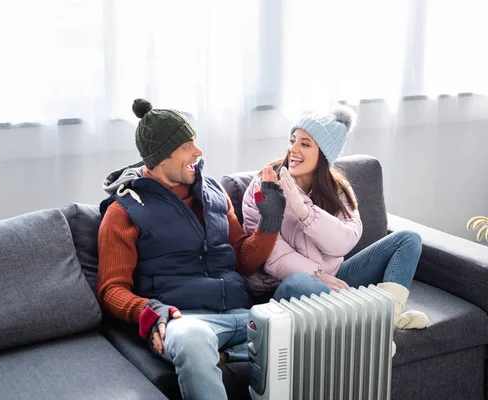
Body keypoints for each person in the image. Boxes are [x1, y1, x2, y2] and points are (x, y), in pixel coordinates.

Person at [97, 99, 286, 399]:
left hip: (244, 312)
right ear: (162, 156)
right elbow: (111, 289)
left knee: (304, 292)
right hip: (187, 321)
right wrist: (150, 310)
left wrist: (271, 221)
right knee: (192, 338)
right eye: (187, 145)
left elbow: (244, 260)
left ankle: (234, 352)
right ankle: (234, 352)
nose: (198, 152)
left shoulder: (214, 192)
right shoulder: (123, 212)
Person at [241, 106, 429, 339]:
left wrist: (304, 211)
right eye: (293, 140)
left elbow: (343, 243)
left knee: (408, 239)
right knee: (299, 281)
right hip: (279, 288)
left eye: (305, 144)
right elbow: (272, 256)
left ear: (325, 153)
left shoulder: (339, 189)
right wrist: (316, 276)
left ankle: (389, 315)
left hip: (334, 280)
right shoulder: (264, 184)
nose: (293, 149)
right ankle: (369, 329)